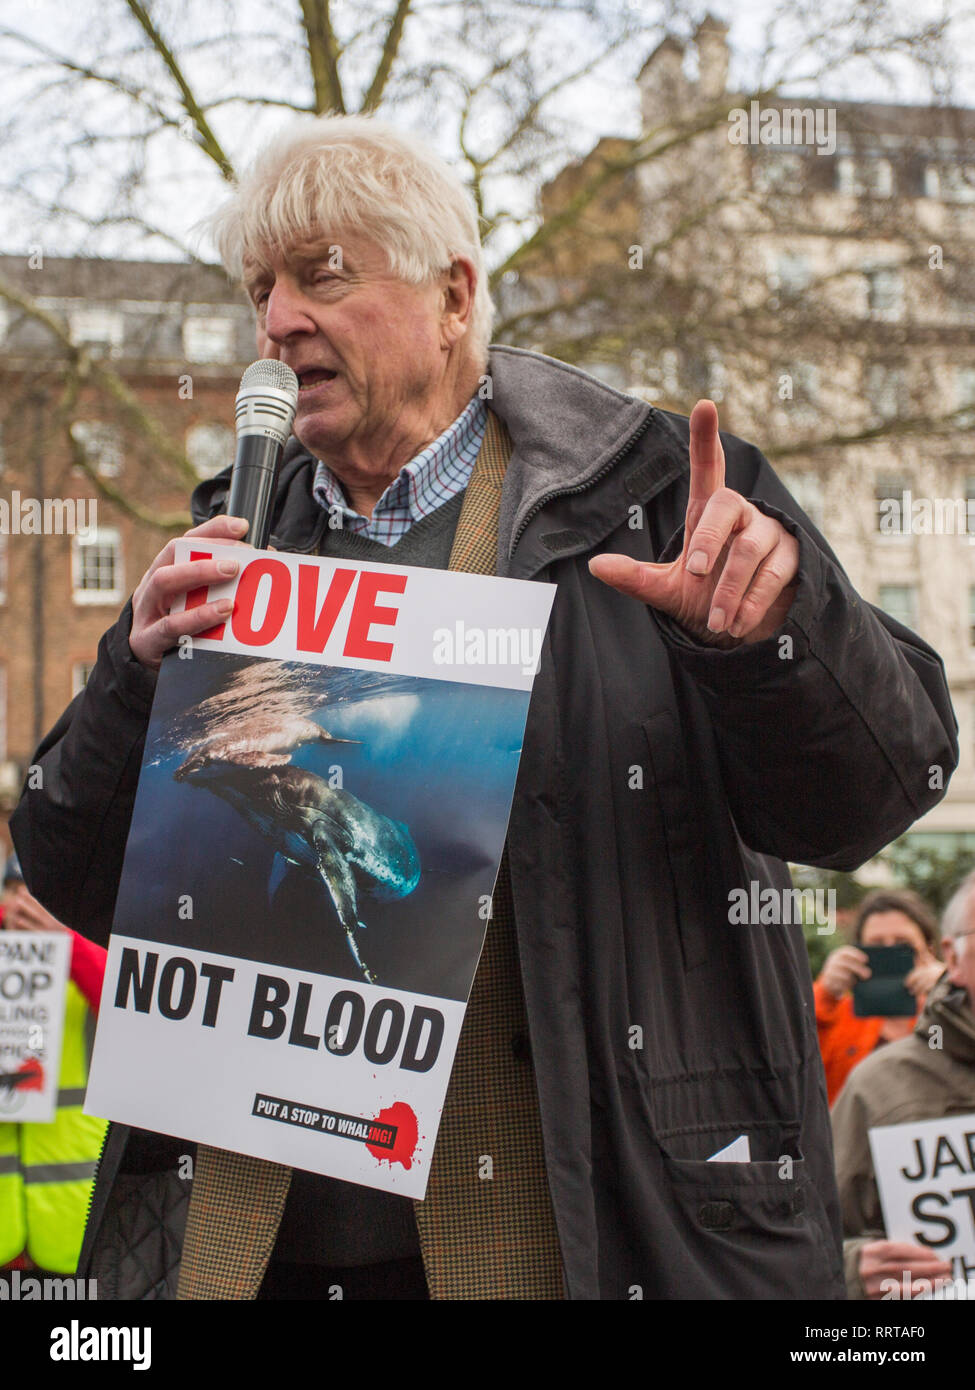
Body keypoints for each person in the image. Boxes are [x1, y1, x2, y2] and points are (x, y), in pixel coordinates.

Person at [10, 114, 959, 1301]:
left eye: (324, 274)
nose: (277, 321)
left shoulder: (661, 500)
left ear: (455, 297)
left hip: (564, 1242)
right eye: (261, 288)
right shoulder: (231, 548)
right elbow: (69, 872)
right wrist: (140, 675)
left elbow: (883, 785)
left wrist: (772, 635)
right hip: (258, 1254)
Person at [831, 871, 975, 1299]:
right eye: (876, 949)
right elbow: (809, 1237)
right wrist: (856, 1269)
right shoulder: (876, 1083)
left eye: (903, 947)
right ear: (954, 957)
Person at [0, 854, 108, 1278]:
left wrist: (65, 942)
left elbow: (131, 1011)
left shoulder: (90, 952)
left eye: (42, 899)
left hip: (78, 1234)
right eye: (17, 893)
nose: (28, 908)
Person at [814, 889, 944, 1105]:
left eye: (903, 944)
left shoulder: (945, 1010)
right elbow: (790, 1054)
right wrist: (825, 992)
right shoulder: (835, 1016)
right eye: (876, 945)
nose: (889, 951)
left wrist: (953, 991)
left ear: (928, 950)